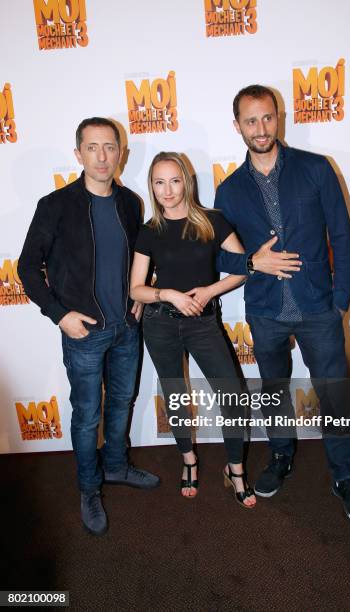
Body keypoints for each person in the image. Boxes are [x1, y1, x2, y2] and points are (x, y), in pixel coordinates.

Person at [215, 84, 350, 526]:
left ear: (278, 117)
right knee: (273, 392)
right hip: (264, 312)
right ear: (237, 126)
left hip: (318, 309)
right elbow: (218, 256)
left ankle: (345, 476)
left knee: (335, 398)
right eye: (251, 120)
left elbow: (343, 238)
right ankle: (281, 456)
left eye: (267, 117)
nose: (261, 128)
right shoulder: (228, 191)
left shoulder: (316, 169)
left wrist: (339, 302)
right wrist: (252, 260)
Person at [18, 117, 160, 536]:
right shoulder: (55, 205)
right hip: (84, 334)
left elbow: (141, 260)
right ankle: (88, 487)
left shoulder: (131, 204)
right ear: (78, 154)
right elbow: (27, 268)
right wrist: (60, 314)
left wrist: (139, 297)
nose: (102, 156)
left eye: (110, 147)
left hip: (126, 330)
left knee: (122, 403)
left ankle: (115, 467)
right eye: (93, 148)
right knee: (86, 415)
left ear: (121, 153)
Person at [130, 151, 256, 508]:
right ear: (152, 187)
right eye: (159, 182)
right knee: (176, 398)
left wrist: (209, 291)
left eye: (174, 180)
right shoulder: (149, 231)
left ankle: (235, 470)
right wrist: (166, 293)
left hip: (203, 324)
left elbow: (243, 267)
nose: (167, 190)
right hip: (160, 325)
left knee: (232, 397)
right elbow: (135, 288)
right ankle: (188, 460)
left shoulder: (212, 222)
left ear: (187, 181)